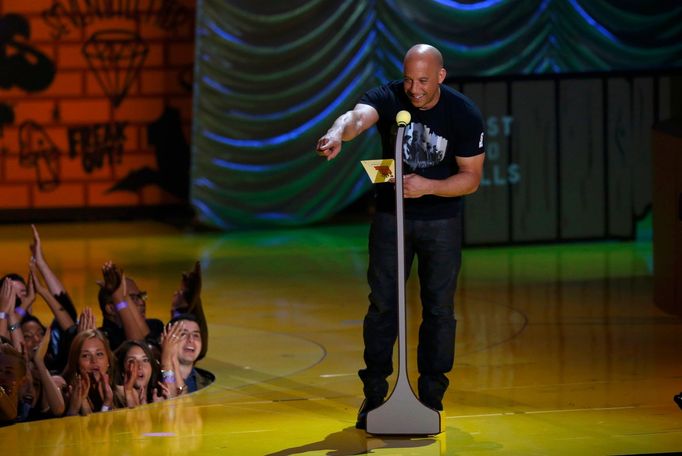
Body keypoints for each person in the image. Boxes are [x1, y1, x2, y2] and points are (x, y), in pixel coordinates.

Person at [316, 44, 485, 429]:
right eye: (409, 79)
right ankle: (374, 395)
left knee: (439, 309)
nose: (414, 88)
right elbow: (357, 117)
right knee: (382, 306)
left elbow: (471, 178)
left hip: (440, 220)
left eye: (423, 81)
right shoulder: (390, 96)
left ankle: (430, 398)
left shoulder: (463, 113)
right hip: (393, 217)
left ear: (440, 76)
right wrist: (337, 133)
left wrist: (427, 186)